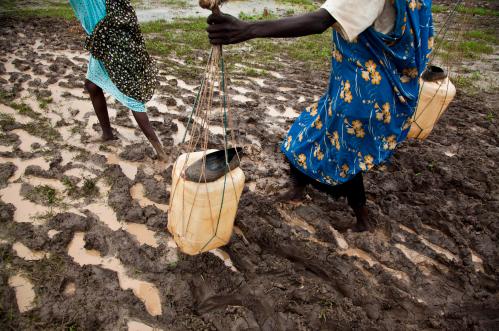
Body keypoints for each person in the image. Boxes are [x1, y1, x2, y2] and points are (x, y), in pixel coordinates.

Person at [206, 0, 433, 231]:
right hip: (368, 85)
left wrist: (247, 29)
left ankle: (362, 219)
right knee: (306, 134)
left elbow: (320, 20)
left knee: (344, 157)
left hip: (361, 95)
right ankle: (298, 187)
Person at [69, 0, 167, 160]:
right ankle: (107, 135)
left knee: (132, 98)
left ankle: (160, 152)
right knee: (92, 85)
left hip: (112, 46)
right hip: (104, 42)